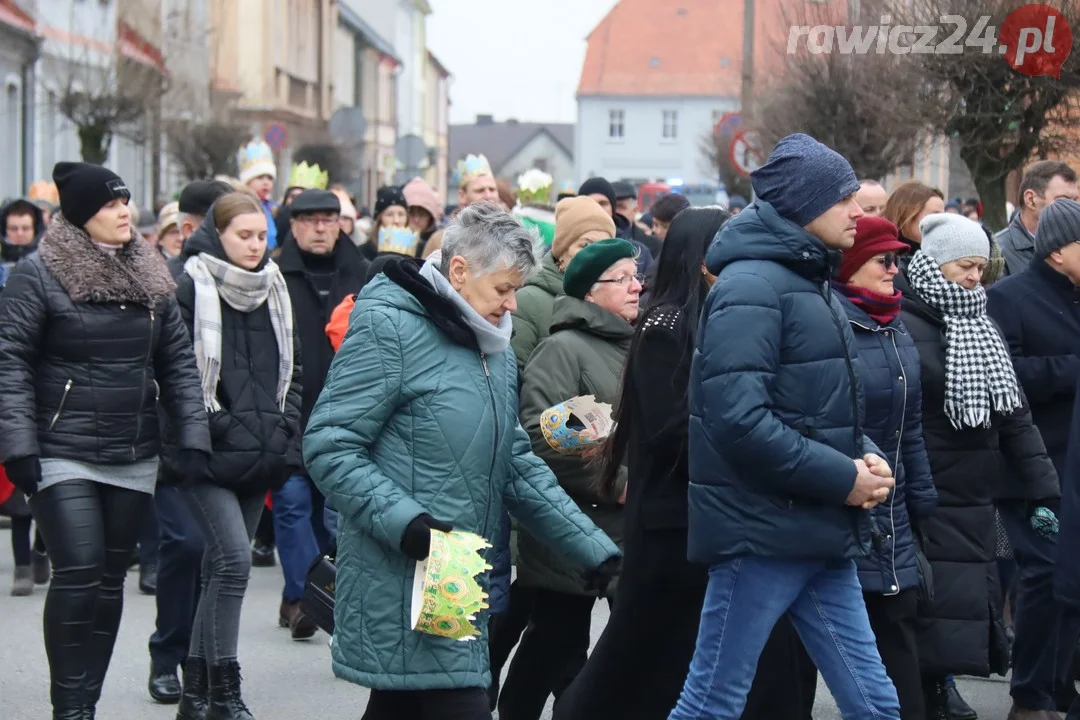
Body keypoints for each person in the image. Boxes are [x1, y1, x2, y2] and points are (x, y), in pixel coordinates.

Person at [303, 201, 620, 720]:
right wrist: (410, 526)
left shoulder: (491, 345)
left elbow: (516, 463)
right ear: (458, 271)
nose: (513, 304)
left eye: (518, 289)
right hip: (406, 565)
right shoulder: (390, 328)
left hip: (453, 574)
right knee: (457, 702)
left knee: (407, 702)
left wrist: (596, 553)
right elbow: (329, 444)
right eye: (503, 288)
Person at [670, 133, 901, 720]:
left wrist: (864, 458)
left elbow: (821, 409)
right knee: (710, 704)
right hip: (763, 534)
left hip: (819, 528)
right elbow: (739, 420)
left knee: (875, 703)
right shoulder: (752, 286)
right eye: (844, 199)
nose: (860, 212)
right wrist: (843, 477)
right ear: (802, 205)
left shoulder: (807, 280)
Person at [555, 208, 818, 720]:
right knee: (638, 659)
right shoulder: (663, 327)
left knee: (723, 660)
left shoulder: (723, 317)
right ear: (700, 259)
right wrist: (753, 442)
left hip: (715, 516)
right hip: (670, 523)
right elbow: (669, 428)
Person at [0, 161, 211, 720]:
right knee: (80, 569)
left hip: (133, 448)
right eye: (111, 204)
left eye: (126, 202)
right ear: (79, 215)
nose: (125, 212)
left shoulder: (153, 273)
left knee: (110, 580)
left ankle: (86, 701)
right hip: (60, 447)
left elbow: (178, 364)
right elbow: (11, 362)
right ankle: (69, 707)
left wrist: (191, 436)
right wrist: (18, 445)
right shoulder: (38, 273)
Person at [894, 213, 1061, 720]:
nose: (974, 278)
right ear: (937, 262)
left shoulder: (979, 318)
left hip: (974, 491)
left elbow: (1014, 415)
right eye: (964, 266)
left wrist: (1043, 486)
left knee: (960, 597)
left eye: (979, 268)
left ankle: (939, 687)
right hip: (926, 489)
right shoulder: (904, 319)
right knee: (930, 598)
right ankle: (926, 691)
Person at [169, 192, 303, 720]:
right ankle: (225, 691)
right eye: (242, 235)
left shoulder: (275, 288)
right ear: (217, 234)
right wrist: (216, 426)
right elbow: (177, 377)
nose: (254, 245)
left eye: (260, 236)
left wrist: (284, 427)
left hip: (261, 449)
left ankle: (195, 694)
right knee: (232, 561)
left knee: (216, 570)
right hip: (207, 450)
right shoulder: (192, 285)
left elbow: (295, 371)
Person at [499, 239, 639, 720]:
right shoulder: (562, 349)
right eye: (621, 279)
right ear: (589, 292)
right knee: (553, 647)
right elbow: (544, 438)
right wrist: (617, 481)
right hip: (573, 528)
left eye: (635, 276)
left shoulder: (634, 345)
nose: (636, 286)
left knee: (622, 651)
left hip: (627, 528)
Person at [834, 216, 939, 718]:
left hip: (894, 515)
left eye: (899, 259)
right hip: (846, 506)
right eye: (885, 259)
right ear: (852, 265)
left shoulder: (895, 325)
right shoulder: (833, 324)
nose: (896, 270)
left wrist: (923, 502)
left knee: (897, 643)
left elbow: (909, 427)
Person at [988, 198, 1080, 716]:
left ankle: (1058, 687)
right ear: (1059, 251)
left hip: (1075, 466)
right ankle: (1029, 694)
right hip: (1031, 470)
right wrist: (1070, 370)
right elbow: (1007, 377)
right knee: (1045, 576)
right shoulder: (1008, 299)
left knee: (1070, 582)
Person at [148, 178, 234, 706]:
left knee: (222, 556)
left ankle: (204, 667)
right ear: (190, 229)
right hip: (173, 441)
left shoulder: (252, 283)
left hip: (228, 442)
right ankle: (168, 656)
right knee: (185, 545)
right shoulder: (170, 284)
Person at [273, 188, 368, 638]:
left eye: (327, 219)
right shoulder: (275, 274)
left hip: (345, 415)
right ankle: (300, 598)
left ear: (340, 223)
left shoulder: (363, 272)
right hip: (290, 411)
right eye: (309, 219)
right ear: (293, 226)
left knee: (332, 517)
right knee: (292, 504)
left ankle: (314, 592)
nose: (319, 227)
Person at [510, 196, 615, 374]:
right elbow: (519, 374)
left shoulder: (611, 300)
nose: (596, 255)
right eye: (586, 245)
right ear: (562, 251)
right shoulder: (527, 301)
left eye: (605, 246)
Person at [996, 161, 1078, 276]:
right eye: (1063, 200)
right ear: (1031, 200)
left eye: (1075, 201)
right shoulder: (998, 253)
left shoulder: (1074, 245)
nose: (1072, 208)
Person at [421, 154, 500, 259]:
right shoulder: (440, 240)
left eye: (492, 189)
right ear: (462, 196)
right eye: (480, 190)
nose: (488, 196)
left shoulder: (510, 234)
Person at [577, 177, 653, 274]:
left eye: (603, 203)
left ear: (612, 209)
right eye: (590, 203)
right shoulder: (562, 249)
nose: (597, 209)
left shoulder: (638, 252)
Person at [236, 139, 279, 251]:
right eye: (260, 178)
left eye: (269, 178)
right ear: (247, 181)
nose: (266, 182)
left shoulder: (274, 208)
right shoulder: (240, 205)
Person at [884, 181, 946, 252]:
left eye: (943, 216)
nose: (942, 223)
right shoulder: (885, 258)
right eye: (935, 216)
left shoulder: (940, 254)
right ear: (906, 215)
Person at [0, 197, 46, 288]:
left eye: (25, 228)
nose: (19, 233)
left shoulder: (46, 263)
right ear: (5, 230)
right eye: (13, 229)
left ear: (35, 230)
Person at [403, 177, 444, 257]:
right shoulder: (392, 241)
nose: (416, 219)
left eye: (422, 214)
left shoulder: (438, 242)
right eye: (411, 213)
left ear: (431, 216)